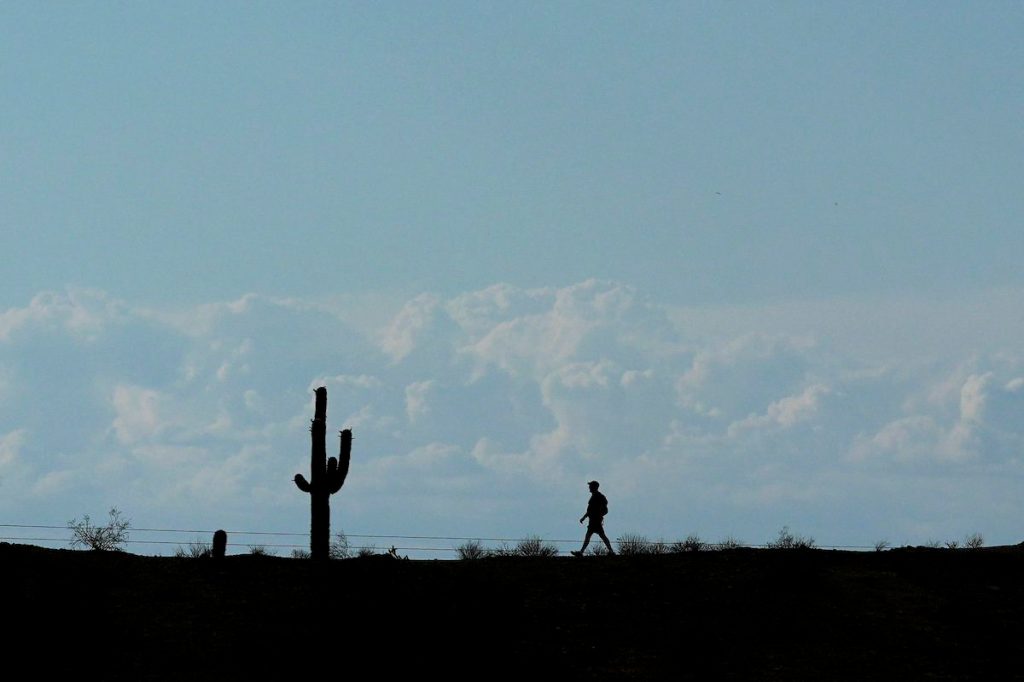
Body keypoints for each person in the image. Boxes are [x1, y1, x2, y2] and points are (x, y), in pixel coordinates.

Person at [571, 480, 615, 556]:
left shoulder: (598, 496)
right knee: (595, 536)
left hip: (595, 520)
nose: (589, 488)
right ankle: (581, 552)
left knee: (597, 535)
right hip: (593, 520)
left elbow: (594, 509)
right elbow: (590, 510)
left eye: (590, 486)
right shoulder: (595, 496)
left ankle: (611, 551)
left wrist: (585, 517)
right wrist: (584, 517)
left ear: (594, 487)